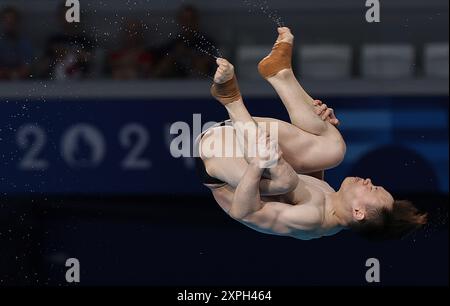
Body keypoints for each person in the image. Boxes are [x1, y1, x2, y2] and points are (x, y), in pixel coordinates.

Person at [196, 27, 427, 241]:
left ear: (358, 212)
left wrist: (257, 164)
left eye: (373, 189)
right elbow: (303, 179)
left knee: (285, 180)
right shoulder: (329, 195)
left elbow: (242, 211)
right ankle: (280, 72)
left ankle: (231, 98)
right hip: (239, 134)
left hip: (217, 155)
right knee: (333, 150)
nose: (368, 181)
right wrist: (321, 123)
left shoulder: (312, 220)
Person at [153, 5, 216, 79]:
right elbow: (156, 75)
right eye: (185, 20)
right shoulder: (172, 45)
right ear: (180, 21)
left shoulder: (208, 44)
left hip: (202, 86)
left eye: (191, 19)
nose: (188, 24)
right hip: (175, 86)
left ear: (197, 21)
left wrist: (195, 58)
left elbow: (211, 71)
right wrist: (173, 56)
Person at [36, 2, 94, 80]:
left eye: (71, 15)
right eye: (64, 16)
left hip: (81, 83)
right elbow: (41, 67)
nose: (68, 19)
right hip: (55, 83)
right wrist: (55, 56)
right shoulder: (53, 40)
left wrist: (78, 55)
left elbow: (94, 64)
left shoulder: (85, 40)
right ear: (59, 18)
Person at [0, 6, 33, 80]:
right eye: (7, 21)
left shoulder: (24, 42)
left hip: (22, 84)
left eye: (12, 21)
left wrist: (11, 74)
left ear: (17, 22)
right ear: (2, 22)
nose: (10, 24)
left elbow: (27, 69)